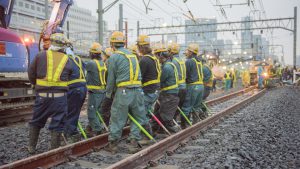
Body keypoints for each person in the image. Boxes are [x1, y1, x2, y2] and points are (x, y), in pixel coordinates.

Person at [27, 33, 73, 153]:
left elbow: (31, 73)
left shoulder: (40, 56)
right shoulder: (67, 59)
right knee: (58, 122)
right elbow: (71, 75)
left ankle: (31, 147)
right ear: (63, 46)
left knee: (36, 121)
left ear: (51, 43)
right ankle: (53, 150)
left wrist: (35, 84)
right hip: (59, 98)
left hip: (42, 97)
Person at [105, 31, 146, 154]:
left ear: (112, 43)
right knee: (138, 117)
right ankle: (133, 142)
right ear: (124, 43)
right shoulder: (134, 55)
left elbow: (111, 79)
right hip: (138, 90)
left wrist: (108, 94)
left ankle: (113, 144)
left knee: (118, 117)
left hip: (123, 91)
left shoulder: (114, 57)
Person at [136, 35, 160, 144]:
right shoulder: (153, 58)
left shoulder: (144, 60)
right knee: (146, 112)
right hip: (155, 91)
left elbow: (139, 77)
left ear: (141, 47)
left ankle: (147, 136)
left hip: (148, 91)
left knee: (141, 114)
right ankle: (147, 134)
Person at [153, 44, 180, 133]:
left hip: (169, 94)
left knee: (164, 114)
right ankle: (158, 129)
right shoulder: (170, 64)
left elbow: (160, 80)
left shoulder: (167, 67)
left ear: (161, 55)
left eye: (157, 55)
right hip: (171, 93)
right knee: (158, 111)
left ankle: (170, 129)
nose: (156, 58)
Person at [64, 44, 87, 143]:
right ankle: (71, 131)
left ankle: (71, 134)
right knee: (75, 112)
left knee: (70, 112)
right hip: (82, 88)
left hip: (73, 89)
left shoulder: (65, 59)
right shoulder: (77, 58)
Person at [85, 42, 107, 137]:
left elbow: (82, 67)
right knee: (97, 111)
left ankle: (98, 130)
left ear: (92, 54)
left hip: (95, 92)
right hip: (102, 92)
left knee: (91, 112)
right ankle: (91, 127)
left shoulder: (91, 63)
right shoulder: (102, 63)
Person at [181, 43, 205, 124]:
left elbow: (185, 75)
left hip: (193, 86)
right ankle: (195, 123)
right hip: (201, 86)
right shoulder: (199, 61)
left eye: (187, 51)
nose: (186, 53)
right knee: (196, 107)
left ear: (191, 52)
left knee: (186, 107)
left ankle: (184, 126)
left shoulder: (189, 61)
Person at [168, 43, 187, 128]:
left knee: (173, 108)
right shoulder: (181, 60)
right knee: (179, 106)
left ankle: (173, 123)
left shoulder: (173, 62)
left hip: (177, 87)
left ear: (171, 52)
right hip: (184, 87)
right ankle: (177, 123)